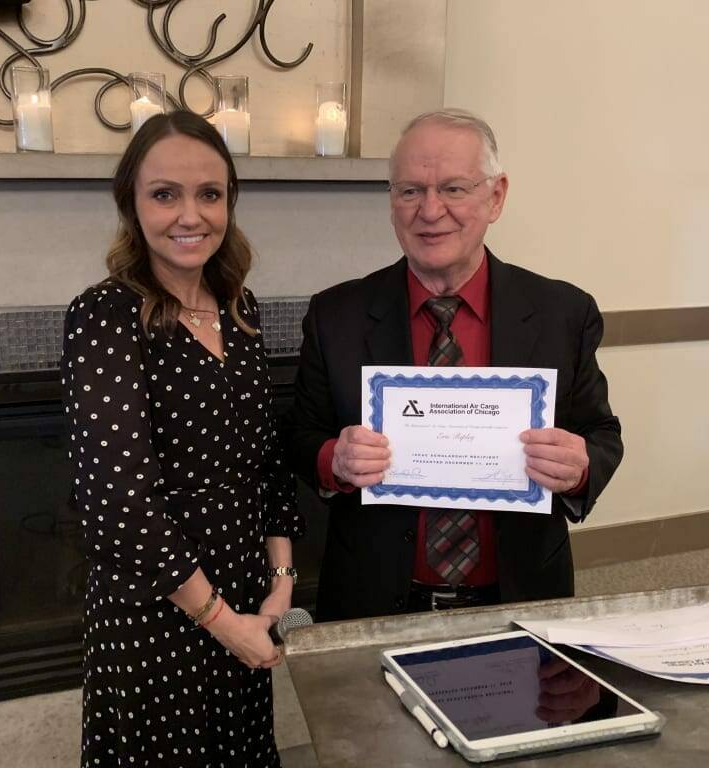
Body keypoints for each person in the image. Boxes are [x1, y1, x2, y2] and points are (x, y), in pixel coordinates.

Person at [286, 108, 622, 622]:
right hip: (370, 599)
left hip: (522, 597)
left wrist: (579, 468)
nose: (430, 209)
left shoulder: (564, 313)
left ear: (497, 196)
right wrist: (335, 458)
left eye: (454, 188)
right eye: (410, 191)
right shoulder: (336, 315)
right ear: (392, 202)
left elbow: (601, 433)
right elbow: (300, 435)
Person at [61, 111, 303, 768]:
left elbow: (266, 460)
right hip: (157, 608)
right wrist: (222, 623)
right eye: (164, 194)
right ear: (132, 205)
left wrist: (279, 579)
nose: (190, 214)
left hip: (244, 588)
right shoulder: (103, 316)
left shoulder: (239, 308)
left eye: (210, 194)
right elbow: (118, 502)